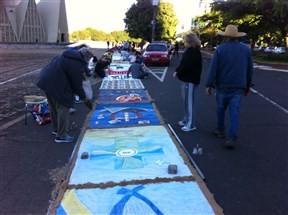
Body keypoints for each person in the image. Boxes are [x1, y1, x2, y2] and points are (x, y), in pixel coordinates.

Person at [205, 24, 254, 149]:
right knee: (234, 112)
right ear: (237, 37)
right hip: (238, 86)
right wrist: (248, 86)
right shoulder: (246, 50)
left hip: (222, 85)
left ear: (225, 36)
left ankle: (220, 129)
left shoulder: (220, 49)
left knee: (220, 108)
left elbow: (213, 69)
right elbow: (250, 70)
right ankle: (232, 137)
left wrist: (209, 85)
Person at [36, 47, 93, 143]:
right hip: (56, 84)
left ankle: (57, 129)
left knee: (53, 107)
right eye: (88, 59)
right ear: (86, 57)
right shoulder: (76, 63)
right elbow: (76, 84)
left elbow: (79, 71)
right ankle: (61, 135)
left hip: (45, 81)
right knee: (64, 107)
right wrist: (84, 97)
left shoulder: (68, 56)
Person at [173, 33, 202, 132]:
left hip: (190, 80)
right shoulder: (189, 51)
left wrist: (178, 73)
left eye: (185, 41)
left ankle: (191, 124)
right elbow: (182, 63)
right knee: (186, 101)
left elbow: (187, 66)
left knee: (189, 102)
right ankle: (187, 119)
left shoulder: (194, 52)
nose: (184, 43)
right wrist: (177, 71)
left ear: (190, 42)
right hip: (186, 79)